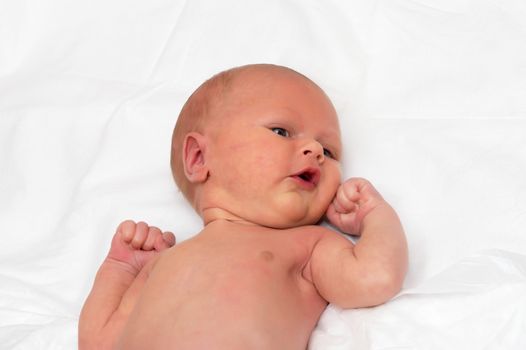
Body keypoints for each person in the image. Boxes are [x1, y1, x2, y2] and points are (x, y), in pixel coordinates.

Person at [79, 64, 408, 349]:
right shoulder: (164, 262)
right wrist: (119, 269)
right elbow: (99, 342)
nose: (315, 150)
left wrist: (374, 217)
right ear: (199, 158)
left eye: (329, 150)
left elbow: (374, 277)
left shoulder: (308, 246)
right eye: (281, 131)